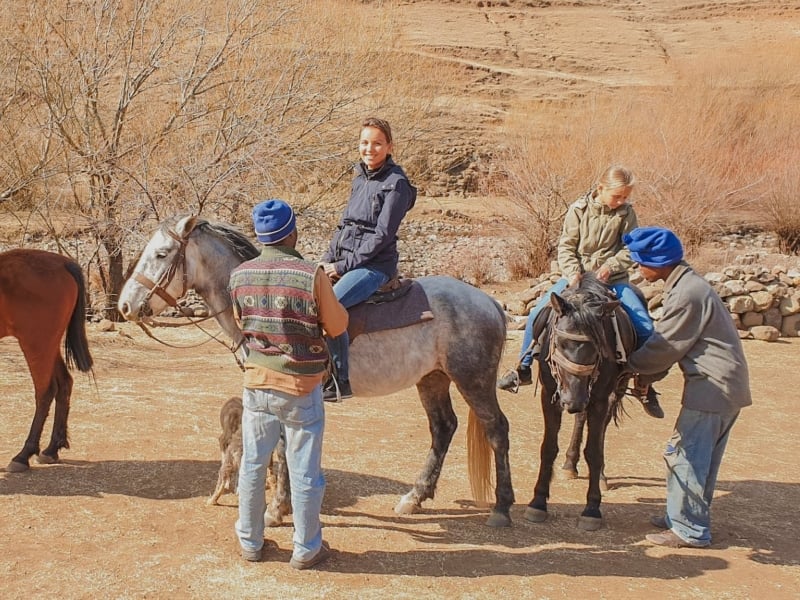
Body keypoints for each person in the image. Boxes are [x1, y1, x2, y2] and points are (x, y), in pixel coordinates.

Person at [229, 199, 348, 569]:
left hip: (257, 384)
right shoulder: (310, 274)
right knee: (304, 470)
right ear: (292, 232)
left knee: (252, 464)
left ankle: (250, 542)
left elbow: (240, 322)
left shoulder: (239, 275)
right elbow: (338, 325)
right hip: (300, 387)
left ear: (261, 236)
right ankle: (306, 548)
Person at [497, 165, 663, 419]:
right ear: (600, 189)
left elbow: (631, 250)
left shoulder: (627, 214)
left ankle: (643, 385)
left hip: (613, 281)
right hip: (576, 279)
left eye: (625, 197)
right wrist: (573, 271)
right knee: (537, 314)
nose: (621, 201)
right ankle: (523, 367)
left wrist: (610, 267)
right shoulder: (578, 210)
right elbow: (566, 245)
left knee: (645, 326)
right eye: (617, 196)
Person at [622, 226, 752, 548]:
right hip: (724, 386)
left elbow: (665, 346)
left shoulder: (686, 293)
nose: (638, 269)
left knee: (686, 456)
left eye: (641, 262)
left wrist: (626, 366)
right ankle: (679, 514)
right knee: (700, 457)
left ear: (659, 261)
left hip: (712, 387)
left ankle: (688, 530)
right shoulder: (687, 285)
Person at [320, 117, 417, 401]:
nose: (369, 149)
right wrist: (325, 261)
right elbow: (344, 225)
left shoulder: (396, 184)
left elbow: (382, 236)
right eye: (364, 143)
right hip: (345, 259)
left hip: (374, 266)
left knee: (332, 305)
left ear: (389, 146)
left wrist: (340, 267)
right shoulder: (360, 177)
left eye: (377, 143)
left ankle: (340, 380)